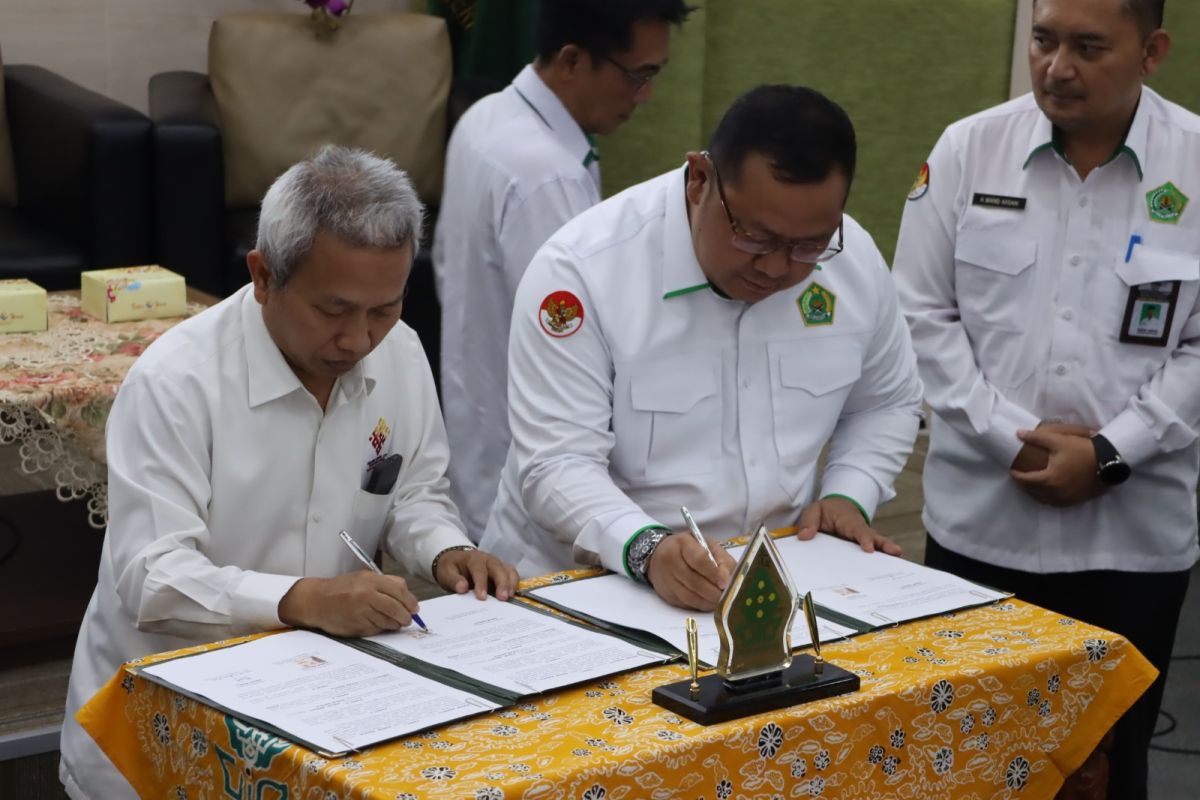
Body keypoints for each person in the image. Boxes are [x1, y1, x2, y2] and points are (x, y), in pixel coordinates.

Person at [60, 146, 518, 799]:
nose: (359, 341)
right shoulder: (176, 381)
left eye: (384, 309)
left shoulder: (403, 353)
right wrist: (303, 599)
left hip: (316, 702)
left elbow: (414, 492)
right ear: (263, 275)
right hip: (162, 720)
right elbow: (152, 577)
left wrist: (447, 550)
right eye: (333, 312)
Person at [892, 1, 1197, 796]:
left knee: (1109, 768)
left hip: (1130, 540)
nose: (1058, 67)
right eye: (1044, 40)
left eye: (1089, 47)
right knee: (965, 763)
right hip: (979, 533)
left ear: (1152, 50)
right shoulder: (969, 149)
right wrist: (1007, 438)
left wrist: (1112, 451)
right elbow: (920, 314)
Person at [480, 85, 924, 611]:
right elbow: (556, 462)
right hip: (582, 587)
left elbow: (887, 401)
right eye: (755, 237)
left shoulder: (852, 260)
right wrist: (648, 549)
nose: (779, 267)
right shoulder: (582, 272)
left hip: (771, 582)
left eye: (808, 245)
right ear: (699, 181)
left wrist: (849, 494)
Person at [434, 0, 693, 541]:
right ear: (573, 60)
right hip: (534, 465)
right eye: (637, 75)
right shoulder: (546, 176)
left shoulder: (487, 115)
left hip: (476, 424)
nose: (645, 95)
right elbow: (576, 337)